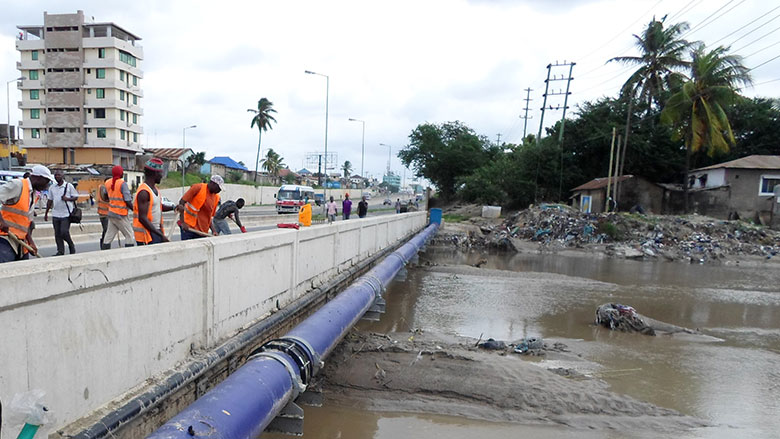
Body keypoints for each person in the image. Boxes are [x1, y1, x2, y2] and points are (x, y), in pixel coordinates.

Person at [0, 165, 55, 263]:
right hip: (5, 238)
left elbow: (27, 222)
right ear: (38, 178)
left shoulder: (33, 194)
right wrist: (2, 221)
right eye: (46, 182)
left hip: (21, 242)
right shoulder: (17, 185)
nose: (47, 186)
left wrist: (31, 242)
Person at [133, 158, 174, 245]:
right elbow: (142, 218)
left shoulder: (155, 190)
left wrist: (174, 207)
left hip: (154, 232)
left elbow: (158, 207)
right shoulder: (144, 192)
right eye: (160, 173)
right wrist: (160, 235)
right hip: (146, 234)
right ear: (155, 173)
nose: (162, 175)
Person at [177, 175, 223, 240]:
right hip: (189, 227)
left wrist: (214, 230)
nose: (219, 190)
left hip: (202, 231)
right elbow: (182, 202)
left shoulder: (216, 198)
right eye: (218, 188)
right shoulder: (198, 188)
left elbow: (209, 217)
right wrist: (182, 222)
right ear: (212, 183)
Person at [45, 169, 79, 255]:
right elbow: (50, 200)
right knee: (57, 234)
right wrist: (46, 213)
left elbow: (75, 197)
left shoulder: (68, 186)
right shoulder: (52, 187)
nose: (57, 177)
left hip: (66, 214)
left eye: (59, 175)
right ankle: (60, 250)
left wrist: (67, 199)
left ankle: (71, 245)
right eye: (56, 175)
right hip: (56, 213)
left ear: (63, 176)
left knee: (64, 232)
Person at [101, 165, 134, 249]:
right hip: (121, 215)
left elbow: (105, 197)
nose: (123, 173)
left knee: (109, 236)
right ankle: (129, 253)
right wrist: (135, 210)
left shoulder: (107, 182)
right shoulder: (122, 184)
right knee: (129, 235)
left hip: (111, 213)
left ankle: (105, 253)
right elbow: (127, 200)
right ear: (120, 173)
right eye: (122, 171)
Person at [97, 183, 109, 248]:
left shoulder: (100, 187)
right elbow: (106, 197)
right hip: (106, 213)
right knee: (106, 230)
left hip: (102, 213)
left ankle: (104, 244)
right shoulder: (105, 188)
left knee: (106, 230)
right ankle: (104, 245)